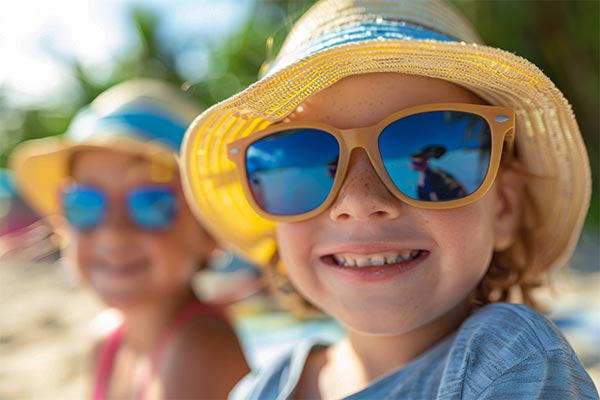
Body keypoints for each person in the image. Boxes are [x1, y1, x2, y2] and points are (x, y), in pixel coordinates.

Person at [180, 1, 599, 399]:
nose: (359, 200)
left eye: (429, 139)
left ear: (504, 207)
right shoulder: (262, 389)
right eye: (305, 156)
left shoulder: (505, 358)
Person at [10, 79, 250, 399]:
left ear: (208, 232)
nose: (113, 230)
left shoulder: (199, 351)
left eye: (151, 203)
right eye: (85, 203)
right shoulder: (106, 339)